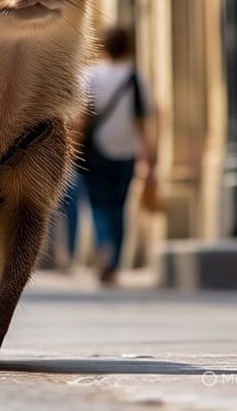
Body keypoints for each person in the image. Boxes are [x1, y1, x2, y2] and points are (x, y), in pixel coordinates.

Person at [82, 25, 156, 286]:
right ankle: (113, 264)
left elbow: (79, 118)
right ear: (128, 47)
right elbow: (143, 121)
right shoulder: (137, 77)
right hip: (128, 150)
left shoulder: (90, 77)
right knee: (119, 206)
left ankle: (106, 250)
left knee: (99, 206)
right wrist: (148, 158)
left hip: (97, 150)